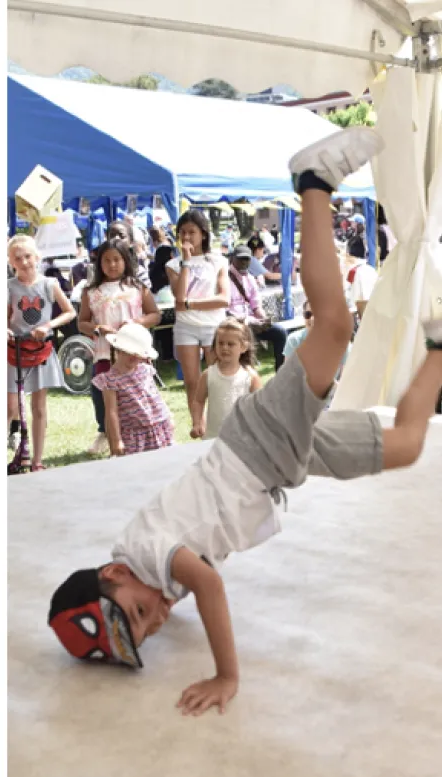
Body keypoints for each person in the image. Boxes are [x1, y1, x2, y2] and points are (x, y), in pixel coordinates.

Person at [46, 128, 442, 716]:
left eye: (136, 611)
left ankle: (312, 184)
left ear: (113, 571)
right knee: (407, 446)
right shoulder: (148, 572)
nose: (155, 617)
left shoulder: (153, 555)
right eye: (147, 632)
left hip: (259, 445)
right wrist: (152, 611)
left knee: (333, 327)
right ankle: (437, 343)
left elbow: (206, 584)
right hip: (278, 463)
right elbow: (172, 592)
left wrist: (225, 676)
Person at [78, 237, 161, 456]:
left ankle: (144, 431)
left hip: (134, 353)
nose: (112, 265)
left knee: (139, 395)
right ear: (99, 264)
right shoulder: (91, 291)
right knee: (104, 398)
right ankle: (107, 434)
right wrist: (97, 328)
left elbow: (155, 314)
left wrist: (136, 322)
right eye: (107, 260)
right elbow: (82, 322)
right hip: (105, 353)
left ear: (125, 261)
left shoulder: (137, 287)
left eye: (117, 259)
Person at [7, 235, 74, 472]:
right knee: (10, 406)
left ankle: (37, 459)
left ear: (37, 257)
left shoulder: (49, 284)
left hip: (40, 351)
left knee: (39, 406)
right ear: (11, 262)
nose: (24, 262)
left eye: (28, 256)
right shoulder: (9, 287)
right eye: (18, 258)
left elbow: (69, 312)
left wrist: (48, 326)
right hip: (15, 351)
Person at [167, 209, 231, 432]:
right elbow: (178, 298)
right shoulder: (173, 265)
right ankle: (198, 423)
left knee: (219, 377)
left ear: (203, 234)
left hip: (214, 326)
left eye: (191, 232)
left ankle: (221, 421)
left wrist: (191, 304)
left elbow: (224, 299)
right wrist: (185, 263)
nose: (186, 237)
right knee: (192, 380)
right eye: (182, 232)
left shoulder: (218, 261)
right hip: (186, 327)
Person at [92, 324, 174, 457]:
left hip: (159, 426)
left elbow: (155, 395)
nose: (134, 357)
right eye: (130, 352)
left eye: (139, 354)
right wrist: (116, 440)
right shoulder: (110, 380)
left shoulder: (145, 369)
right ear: (118, 349)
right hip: (134, 434)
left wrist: (168, 415)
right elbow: (111, 412)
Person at [192, 319, 263, 441]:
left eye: (230, 344)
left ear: (243, 347)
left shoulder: (250, 377)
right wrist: (197, 423)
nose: (224, 347)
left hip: (242, 439)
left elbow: (260, 407)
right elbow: (198, 401)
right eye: (220, 343)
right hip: (213, 438)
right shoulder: (209, 374)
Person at [226, 244, 289, 371]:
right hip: (233, 324)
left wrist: (264, 320)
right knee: (246, 333)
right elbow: (224, 311)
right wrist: (245, 321)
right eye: (241, 259)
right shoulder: (224, 279)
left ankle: (281, 373)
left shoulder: (250, 278)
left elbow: (256, 306)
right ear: (232, 259)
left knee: (280, 332)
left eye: (247, 259)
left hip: (252, 321)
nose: (244, 263)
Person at [343, 235, 378, 322]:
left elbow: (351, 300)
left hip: (362, 319)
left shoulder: (352, 272)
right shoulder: (372, 270)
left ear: (349, 254)